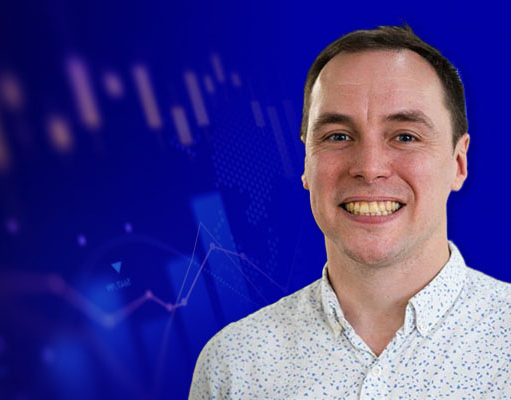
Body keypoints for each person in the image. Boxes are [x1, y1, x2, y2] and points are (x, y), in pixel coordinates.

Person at [189, 25, 511, 398]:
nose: (369, 168)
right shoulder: (233, 366)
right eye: (338, 136)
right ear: (306, 162)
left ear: (458, 162)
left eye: (405, 136)